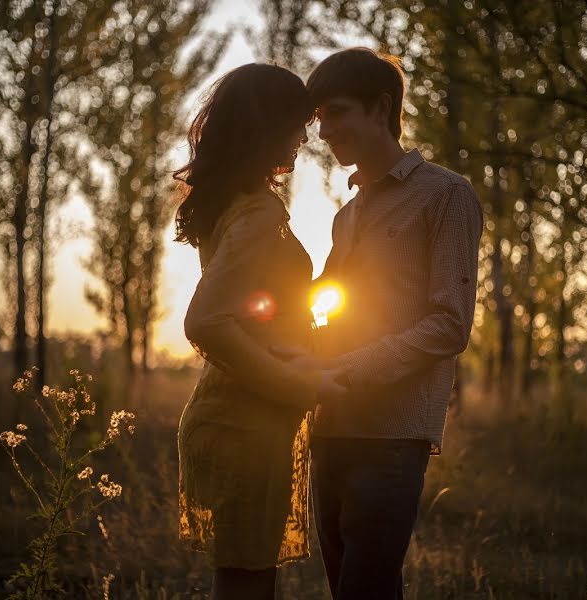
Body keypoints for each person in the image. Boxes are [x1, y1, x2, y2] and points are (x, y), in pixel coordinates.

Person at [277, 48, 484, 599]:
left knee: (362, 589)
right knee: (355, 587)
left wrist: (350, 368)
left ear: (381, 107)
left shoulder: (446, 195)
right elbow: (329, 308)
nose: (324, 130)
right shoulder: (347, 215)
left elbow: (449, 324)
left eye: (337, 112)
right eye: (319, 117)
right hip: (328, 426)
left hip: (393, 435)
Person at [174, 63, 347, 600]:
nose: (305, 137)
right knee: (248, 585)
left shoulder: (231, 203)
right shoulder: (256, 213)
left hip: (236, 418)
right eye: (298, 124)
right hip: (245, 423)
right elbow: (206, 321)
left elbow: (256, 309)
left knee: (243, 581)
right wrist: (298, 385)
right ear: (266, 125)